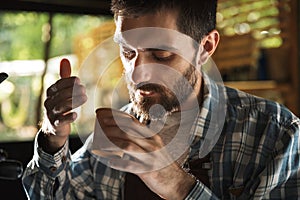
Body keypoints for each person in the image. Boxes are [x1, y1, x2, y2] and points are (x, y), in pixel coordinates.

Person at [22, 0, 300, 199]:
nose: (137, 73)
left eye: (161, 55)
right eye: (128, 53)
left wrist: (176, 184)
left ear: (205, 48)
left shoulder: (275, 135)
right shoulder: (115, 134)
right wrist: (52, 136)